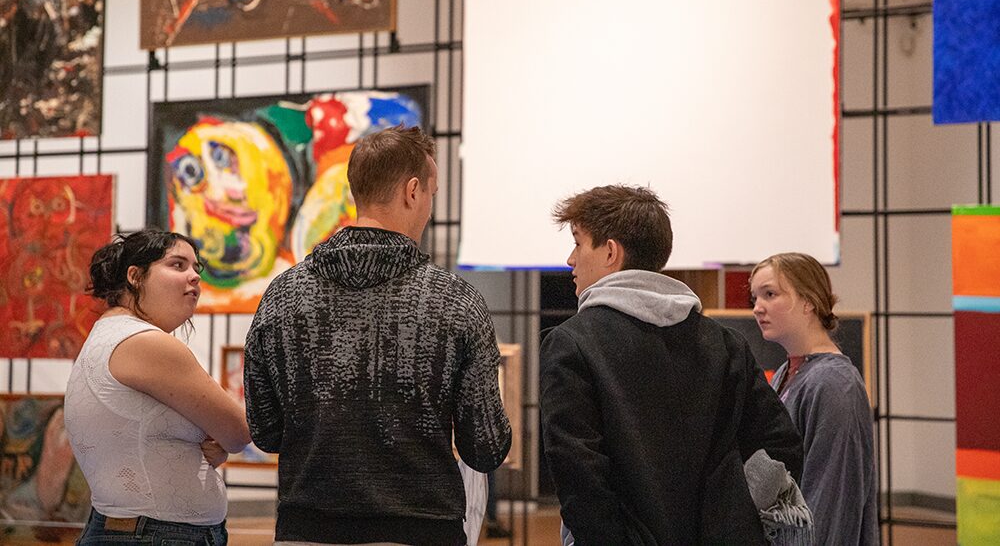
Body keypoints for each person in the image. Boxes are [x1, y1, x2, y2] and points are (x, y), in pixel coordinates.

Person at [244, 125, 512, 545]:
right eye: (432, 193)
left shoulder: (282, 295)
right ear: (412, 192)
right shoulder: (456, 301)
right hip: (423, 530)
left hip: (305, 530)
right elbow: (486, 446)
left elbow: (266, 432)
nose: (429, 206)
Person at [540, 185, 803, 545]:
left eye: (578, 242)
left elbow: (577, 473)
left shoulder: (570, 344)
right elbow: (781, 448)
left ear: (611, 252)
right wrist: (734, 518)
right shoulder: (726, 345)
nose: (571, 259)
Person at [64, 229, 251, 545]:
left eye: (196, 269)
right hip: (154, 533)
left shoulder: (110, 333)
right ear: (135, 276)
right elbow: (240, 430)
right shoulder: (146, 343)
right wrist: (217, 437)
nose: (194, 277)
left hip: (140, 530)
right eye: (178, 265)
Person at [750, 253, 878, 545]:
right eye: (755, 297)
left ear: (808, 301)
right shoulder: (787, 371)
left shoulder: (835, 385)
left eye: (770, 294)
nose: (758, 308)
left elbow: (834, 496)